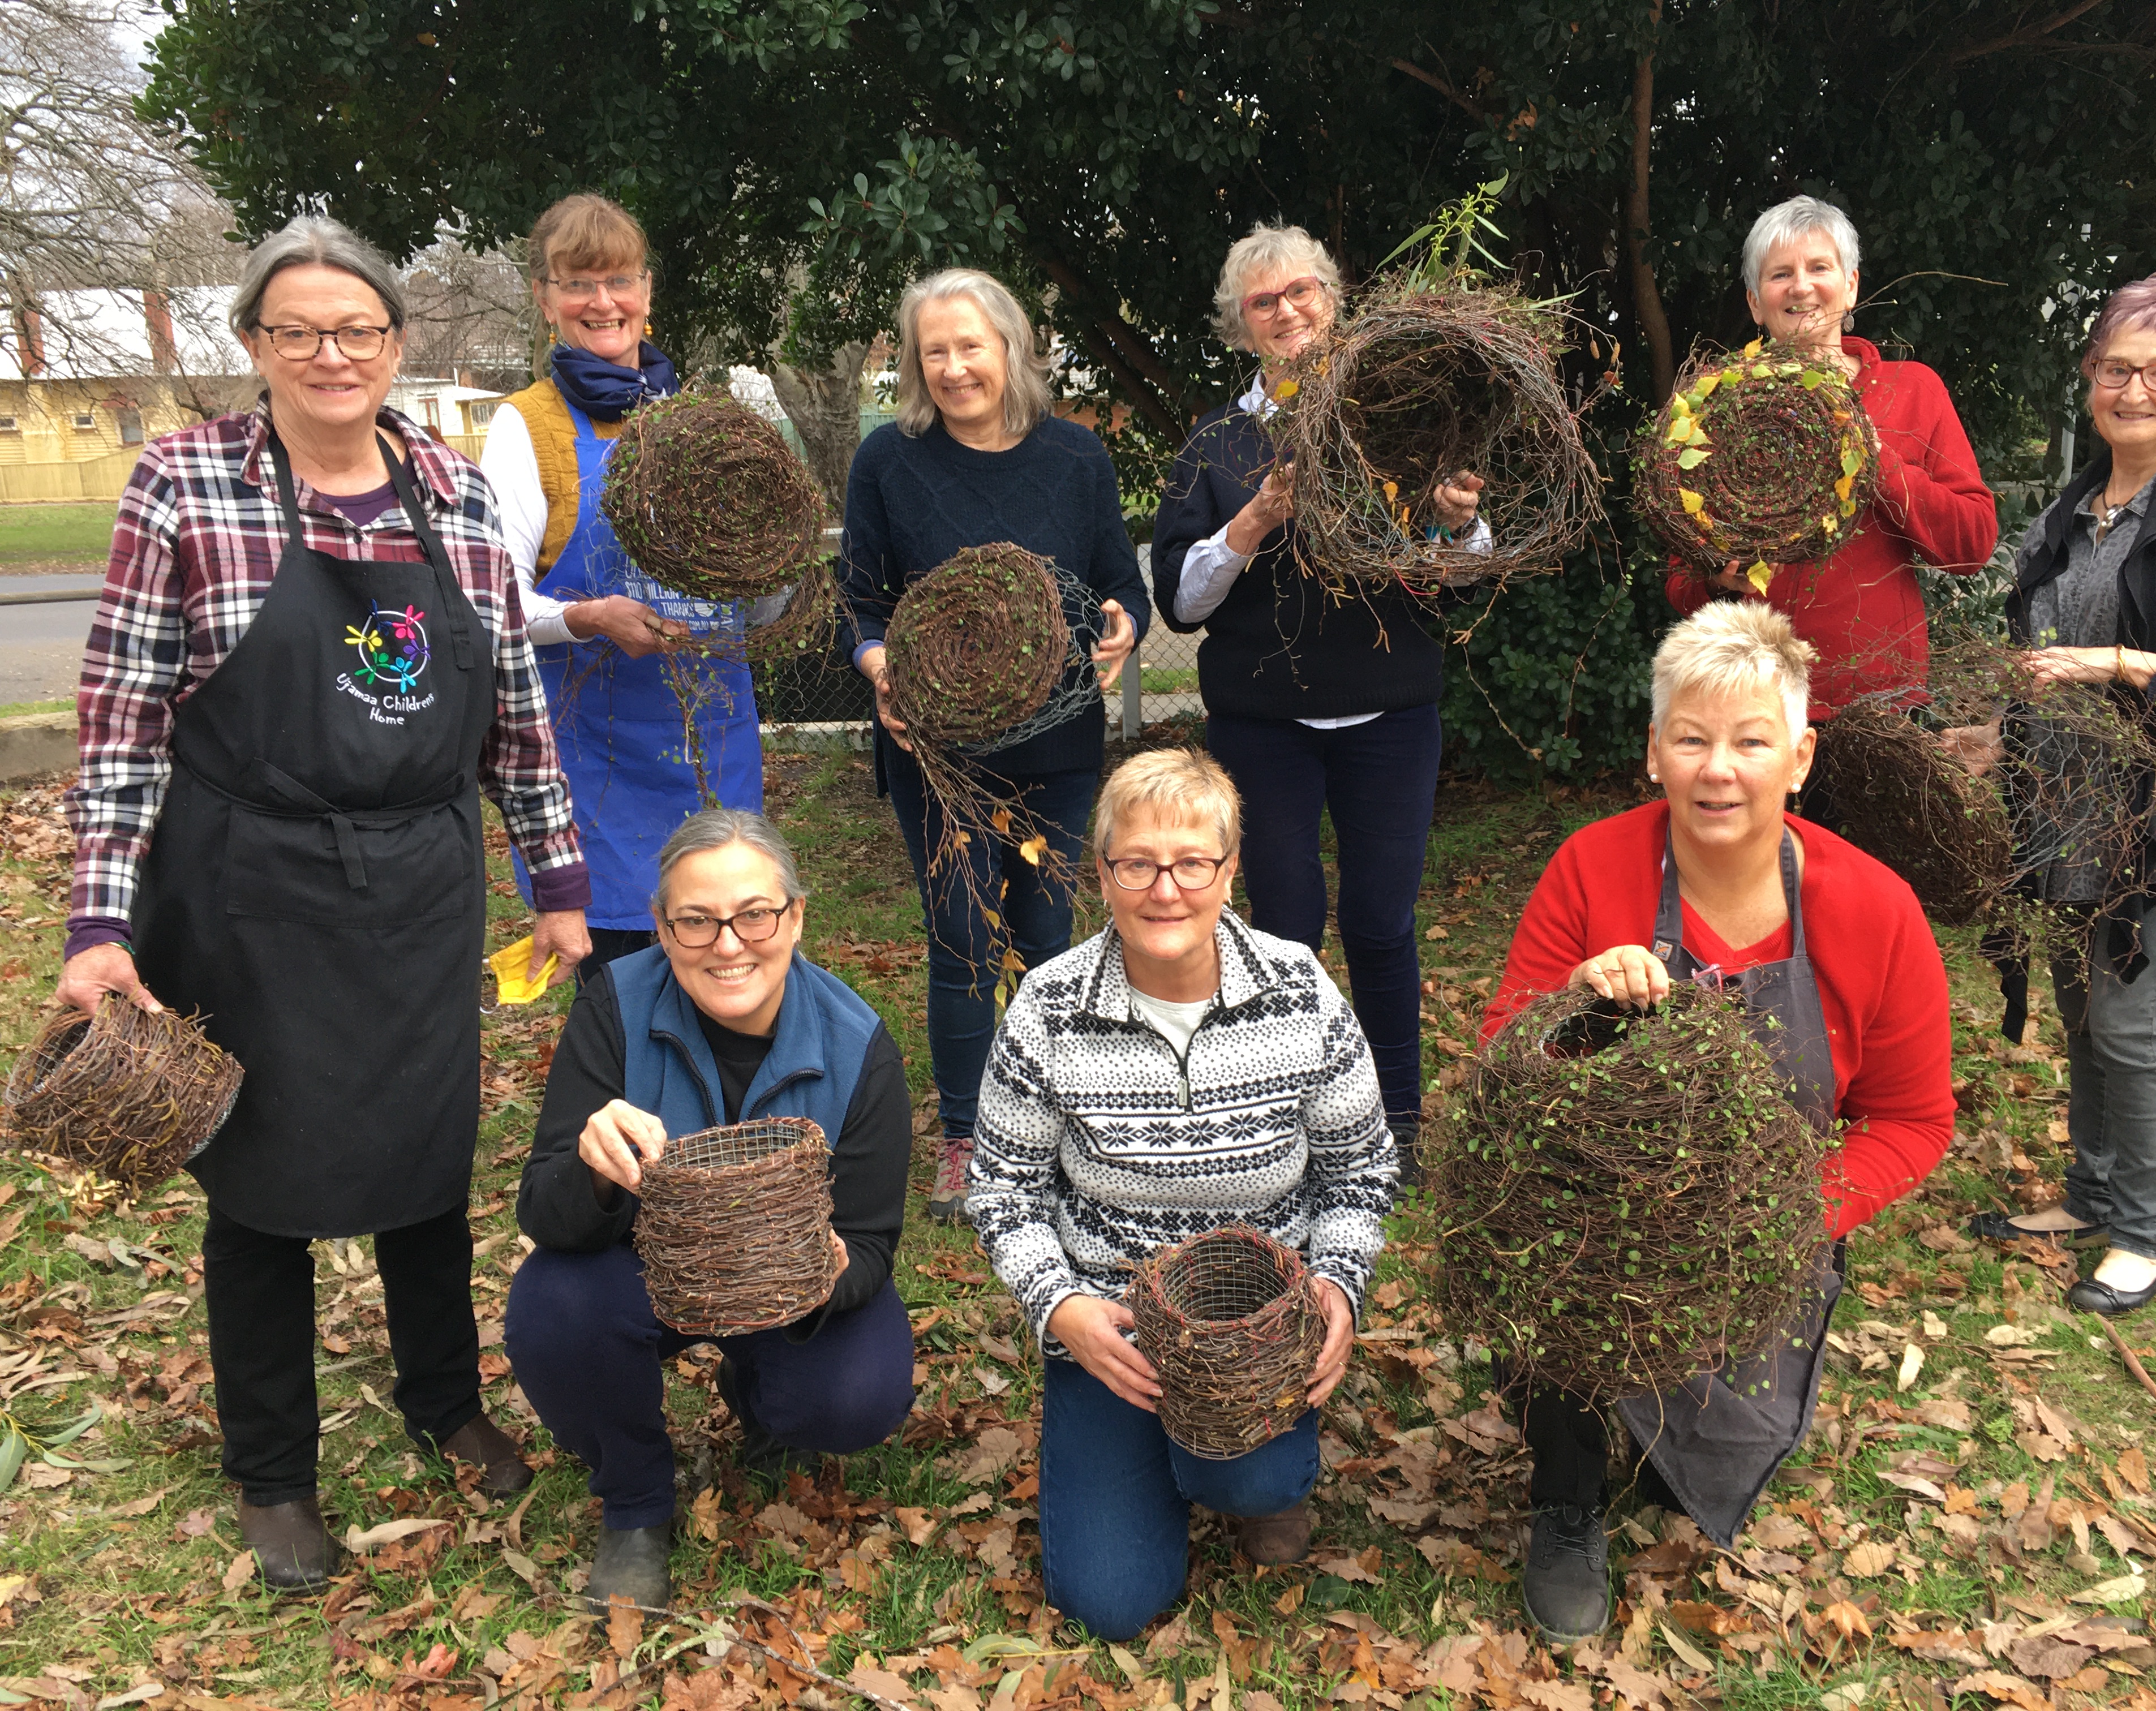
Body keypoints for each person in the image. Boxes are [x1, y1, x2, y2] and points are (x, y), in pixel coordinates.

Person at [58, 216, 592, 1592]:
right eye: (296, 331)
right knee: (262, 1182)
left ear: (396, 343)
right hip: (251, 884)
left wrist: (557, 882)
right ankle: (275, 1471)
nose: (330, 355)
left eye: (356, 329)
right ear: (255, 344)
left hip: (420, 880)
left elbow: (514, 708)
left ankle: (443, 1400)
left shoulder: (454, 496)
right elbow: (121, 722)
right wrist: (99, 925)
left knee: (425, 1155)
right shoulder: (185, 483)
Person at [1477, 601, 1954, 1641]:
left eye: (1751, 742)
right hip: (1595, 1215)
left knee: (1691, 1463)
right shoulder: (1592, 867)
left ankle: (1678, 1434)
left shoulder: (1875, 909)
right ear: (1654, 752)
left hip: (1766, 1230)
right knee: (1541, 1263)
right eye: (1691, 740)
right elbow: (1501, 1056)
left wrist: (1782, 1220)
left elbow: (1913, 1120)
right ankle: (1566, 1495)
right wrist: (1573, 1004)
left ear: (1800, 758)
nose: (1718, 770)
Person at [968, 748, 1400, 1641]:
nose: (1166, 890)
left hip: (1261, 1331)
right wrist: (1062, 1309)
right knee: (1110, 1601)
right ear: (1102, 874)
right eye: (1138, 864)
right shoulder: (1048, 1008)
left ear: (1230, 869)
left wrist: (1338, 1286)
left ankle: (1248, 1478)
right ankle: (1147, 1456)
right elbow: (1002, 1189)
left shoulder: (1298, 991)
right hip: (1116, 1332)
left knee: (1253, 1479)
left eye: (1192, 863)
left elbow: (1361, 1169)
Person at [1950, 273, 2156, 1314]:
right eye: (2115, 368)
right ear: (2090, 378)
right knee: (2086, 1018)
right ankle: (2091, 1195)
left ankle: (2143, 1231)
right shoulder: (2066, 513)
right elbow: (2039, 661)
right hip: (2067, 822)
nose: (2134, 389)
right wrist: (1992, 733)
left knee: (2132, 1025)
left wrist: (2127, 665)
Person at [505, 809, 915, 1614]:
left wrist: (827, 1277)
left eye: (755, 915)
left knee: (858, 1392)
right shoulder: (614, 1009)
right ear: (662, 927)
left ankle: (760, 1395)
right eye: (696, 921)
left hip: (784, 1292)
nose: (729, 945)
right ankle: (635, 1502)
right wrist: (594, 1174)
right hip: (645, 1275)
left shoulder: (858, 1045)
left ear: (796, 917)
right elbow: (544, 1212)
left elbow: (870, 1243)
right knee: (553, 1305)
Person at [1152, 222, 1487, 1179]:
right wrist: (1253, 518)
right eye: (1265, 301)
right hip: (1264, 725)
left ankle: (1397, 1123)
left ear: (1334, 300)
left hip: (1391, 715)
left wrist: (1458, 524)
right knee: (1283, 930)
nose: (1288, 311)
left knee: (1381, 922)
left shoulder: (1395, 418)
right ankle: (1289, 1121)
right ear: (1240, 323)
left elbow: (1459, 576)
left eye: (1303, 291)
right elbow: (1180, 600)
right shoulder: (1216, 444)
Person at [840, 266, 1146, 1223]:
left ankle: (1048, 1123)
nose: (952, 367)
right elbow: (859, 598)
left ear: (1010, 348)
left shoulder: (1075, 457)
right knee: (964, 937)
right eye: (933, 350)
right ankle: (968, 1136)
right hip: (937, 751)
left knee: (1049, 936)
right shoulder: (888, 460)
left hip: (1057, 742)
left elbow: (1120, 582)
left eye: (969, 345)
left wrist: (1123, 626)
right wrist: (879, 665)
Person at [483, 192, 765, 984]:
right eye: (578, 283)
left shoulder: (701, 421)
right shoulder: (526, 427)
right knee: (625, 995)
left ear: (647, 291)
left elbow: (751, 579)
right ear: (545, 299)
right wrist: (591, 616)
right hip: (598, 771)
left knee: (731, 978)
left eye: (620, 280)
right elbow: (493, 602)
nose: (602, 302)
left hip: (712, 747)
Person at [1664, 195, 1998, 775]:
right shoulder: (1718, 406)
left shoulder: (1913, 390)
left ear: (1850, 287)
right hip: (1755, 708)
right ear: (1755, 302)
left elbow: (1971, 546)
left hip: (1882, 709)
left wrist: (1877, 460)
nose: (1801, 287)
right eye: (1780, 274)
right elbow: (1680, 582)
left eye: (1819, 268)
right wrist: (1716, 577)